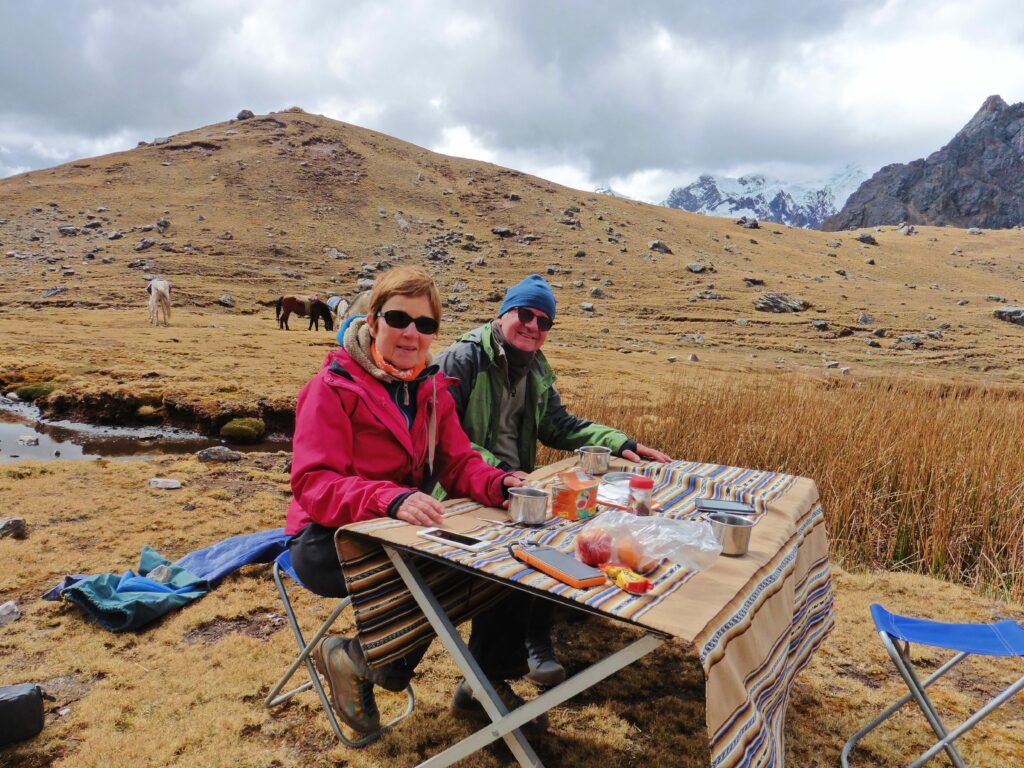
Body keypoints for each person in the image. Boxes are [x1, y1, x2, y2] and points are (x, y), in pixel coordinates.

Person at [286, 266, 534, 734]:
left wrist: (502, 485)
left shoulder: (431, 389)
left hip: (398, 528)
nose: (411, 333)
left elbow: (459, 465)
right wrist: (389, 498)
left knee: (510, 555)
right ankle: (363, 662)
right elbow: (314, 484)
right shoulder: (331, 388)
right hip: (325, 536)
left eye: (425, 324)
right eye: (399, 319)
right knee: (430, 570)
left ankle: (486, 682)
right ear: (373, 321)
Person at [434, 273, 671, 686]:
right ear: (504, 313)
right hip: (460, 487)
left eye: (545, 322)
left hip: (512, 485)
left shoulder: (535, 368)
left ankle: (531, 641)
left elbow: (559, 425)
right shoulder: (462, 359)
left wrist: (619, 441)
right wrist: (499, 472)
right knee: (524, 548)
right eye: (525, 314)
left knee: (560, 530)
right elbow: (443, 436)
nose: (533, 326)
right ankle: (504, 664)